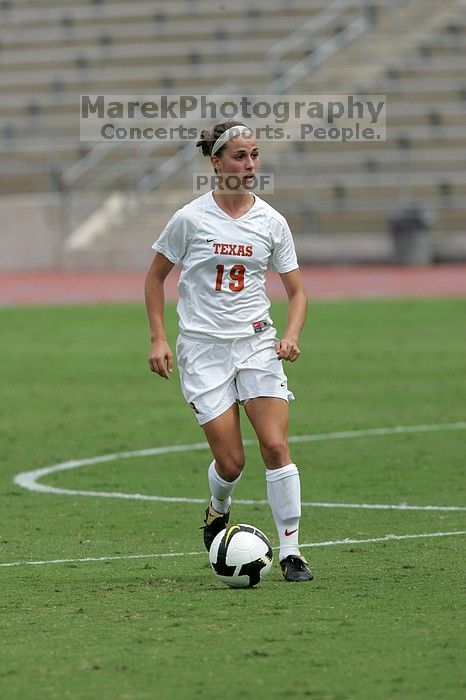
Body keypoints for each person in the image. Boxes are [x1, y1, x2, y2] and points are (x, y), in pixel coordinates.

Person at [144, 120, 313, 582]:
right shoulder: (190, 219)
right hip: (202, 350)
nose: (250, 164)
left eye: (255, 155)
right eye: (240, 156)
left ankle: (293, 552)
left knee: (276, 446)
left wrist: (291, 334)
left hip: (257, 344)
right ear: (216, 162)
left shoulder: (271, 222)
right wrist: (159, 337)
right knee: (232, 462)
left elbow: (297, 292)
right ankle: (218, 506)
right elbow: (155, 278)